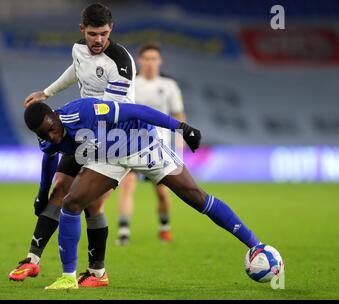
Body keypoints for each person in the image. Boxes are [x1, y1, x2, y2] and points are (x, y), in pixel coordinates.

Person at [23, 97, 261, 290]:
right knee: (72, 203)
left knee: (196, 197)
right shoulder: (47, 139)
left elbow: (136, 110)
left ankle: (255, 245)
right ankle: (67, 278)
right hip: (109, 157)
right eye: (45, 134)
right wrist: (42, 194)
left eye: (52, 129)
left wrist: (181, 128)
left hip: (142, 143)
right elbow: (49, 161)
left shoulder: (85, 110)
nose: (52, 136)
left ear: (55, 115)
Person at [9, 3, 136, 287]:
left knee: (90, 204)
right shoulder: (79, 49)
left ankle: (96, 272)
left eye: (103, 33)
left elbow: (107, 110)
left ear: (111, 29)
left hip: (112, 139)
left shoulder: (121, 62)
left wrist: (73, 119)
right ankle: (32, 259)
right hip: (81, 130)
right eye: (92, 34)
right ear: (82, 30)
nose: (98, 40)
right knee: (60, 190)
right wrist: (47, 92)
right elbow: (76, 70)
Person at [116, 43, 185, 245]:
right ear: (139, 60)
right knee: (127, 186)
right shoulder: (131, 84)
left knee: (163, 192)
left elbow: (179, 115)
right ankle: (123, 232)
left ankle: (164, 227)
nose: (150, 62)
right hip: (131, 143)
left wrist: (179, 144)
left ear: (160, 61)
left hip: (159, 146)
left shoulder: (169, 85)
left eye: (154, 58)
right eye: (146, 58)